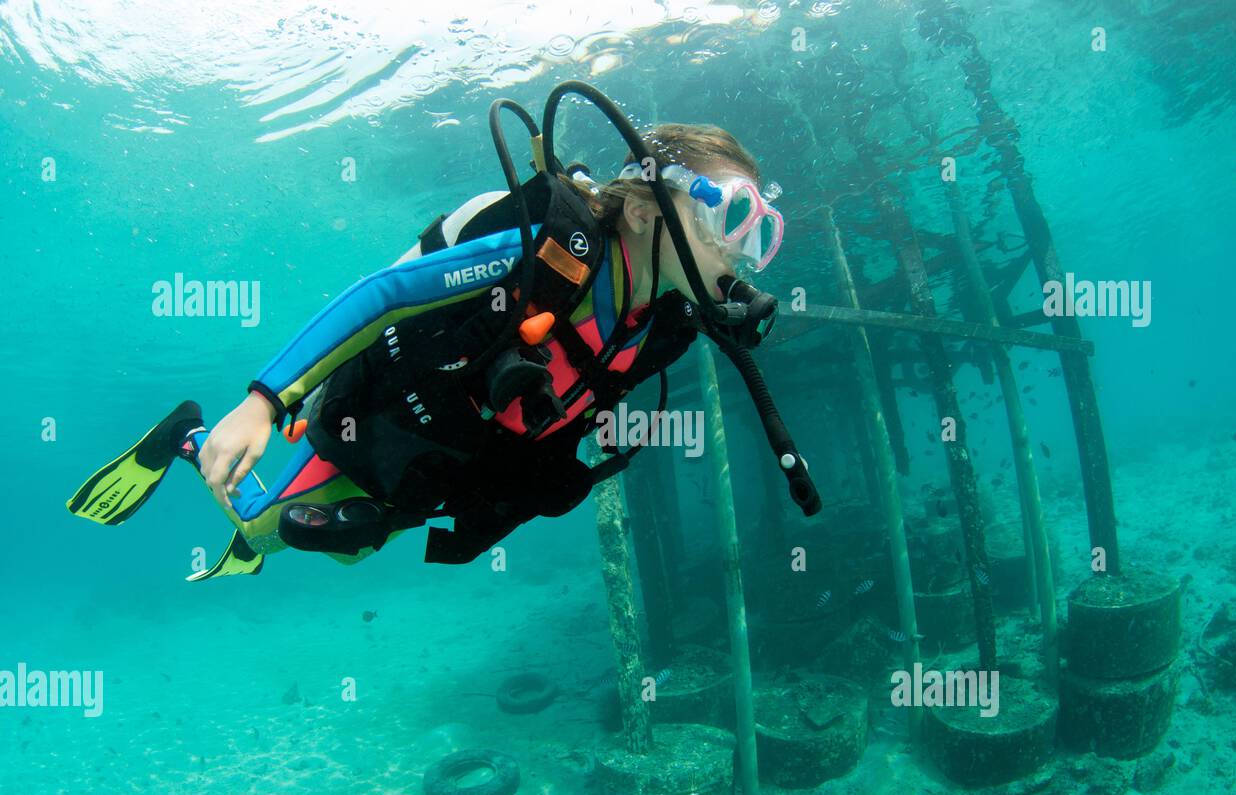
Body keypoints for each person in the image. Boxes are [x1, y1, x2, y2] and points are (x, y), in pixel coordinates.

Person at [66, 113, 786, 581]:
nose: (740, 254)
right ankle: (188, 434)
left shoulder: (665, 327)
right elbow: (388, 293)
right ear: (639, 207)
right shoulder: (552, 249)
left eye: (758, 232)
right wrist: (262, 401)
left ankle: (316, 489)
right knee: (262, 528)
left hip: (448, 457)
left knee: (349, 546)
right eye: (727, 215)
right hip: (387, 408)